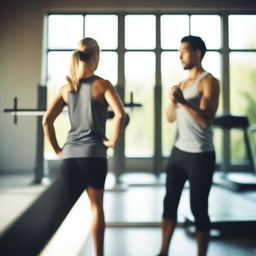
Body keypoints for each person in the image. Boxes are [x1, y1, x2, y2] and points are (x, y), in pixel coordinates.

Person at [43, 37, 126, 256]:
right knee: (96, 207)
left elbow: (46, 121)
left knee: (62, 210)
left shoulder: (66, 87)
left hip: (71, 156)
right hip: (94, 156)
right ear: (95, 56)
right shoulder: (103, 84)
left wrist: (58, 150)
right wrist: (112, 142)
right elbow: (120, 115)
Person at [156, 36, 220, 256]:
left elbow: (206, 119)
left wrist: (183, 101)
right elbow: (170, 118)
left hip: (200, 156)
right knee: (169, 204)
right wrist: (173, 102)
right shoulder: (182, 84)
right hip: (179, 152)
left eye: (184, 51)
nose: (179, 56)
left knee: (198, 208)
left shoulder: (209, 81)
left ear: (197, 53)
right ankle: (163, 251)